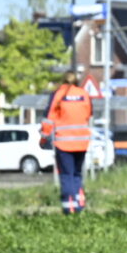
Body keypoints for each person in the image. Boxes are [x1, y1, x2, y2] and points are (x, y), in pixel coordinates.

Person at [41, 69, 97, 214]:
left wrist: (43, 137)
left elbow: (49, 118)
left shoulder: (59, 94)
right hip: (82, 142)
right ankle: (80, 202)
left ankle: (69, 207)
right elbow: (89, 113)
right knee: (77, 173)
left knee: (66, 174)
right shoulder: (84, 94)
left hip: (64, 143)